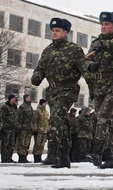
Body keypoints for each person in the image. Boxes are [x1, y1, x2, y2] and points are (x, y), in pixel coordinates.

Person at [31, 18, 85, 168]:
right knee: (59, 123)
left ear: (65, 32)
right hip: (53, 91)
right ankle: (63, 157)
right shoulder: (48, 50)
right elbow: (40, 67)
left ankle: (55, 154)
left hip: (68, 90)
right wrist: (37, 76)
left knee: (55, 119)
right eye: (53, 31)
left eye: (58, 31)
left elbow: (84, 69)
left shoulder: (74, 49)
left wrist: (94, 87)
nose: (54, 33)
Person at [83, 11, 113, 169]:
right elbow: (85, 61)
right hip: (99, 85)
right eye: (102, 24)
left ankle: (96, 151)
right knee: (105, 121)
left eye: (107, 24)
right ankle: (110, 158)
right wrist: (90, 66)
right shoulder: (96, 43)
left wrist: (104, 45)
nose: (103, 27)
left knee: (103, 116)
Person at [17, 94, 35, 163]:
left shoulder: (30, 107)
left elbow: (32, 118)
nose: (29, 98)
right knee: (22, 143)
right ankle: (21, 157)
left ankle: (25, 157)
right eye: (27, 97)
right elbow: (20, 117)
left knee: (27, 143)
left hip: (29, 128)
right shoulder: (22, 107)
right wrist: (20, 126)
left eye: (29, 97)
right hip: (23, 127)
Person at [1, 94, 19, 163]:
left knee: (11, 144)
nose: (14, 99)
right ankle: (4, 158)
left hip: (13, 128)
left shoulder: (14, 107)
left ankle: (9, 157)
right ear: (9, 99)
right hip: (7, 128)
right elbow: (2, 117)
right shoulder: (5, 107)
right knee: (5, 143)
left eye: (14, 98)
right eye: (13, 98)